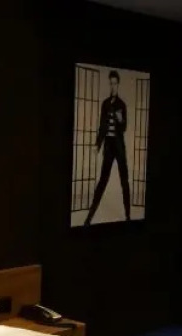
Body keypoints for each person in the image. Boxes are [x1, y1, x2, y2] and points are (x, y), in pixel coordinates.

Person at [84, 70, 131, 226]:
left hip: (119, 146)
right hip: (109, 146)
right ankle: (89, 218)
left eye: (115, 83)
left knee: (124, 180)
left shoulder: (122, 105)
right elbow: (102, 127)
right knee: (102, 181)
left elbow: (124, 128)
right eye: (111, 83)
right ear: (109, 84)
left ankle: (128, 216)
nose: (113, 86)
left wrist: (120, 119)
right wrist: (98, 144)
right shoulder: (105, 104)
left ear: (118, 84)